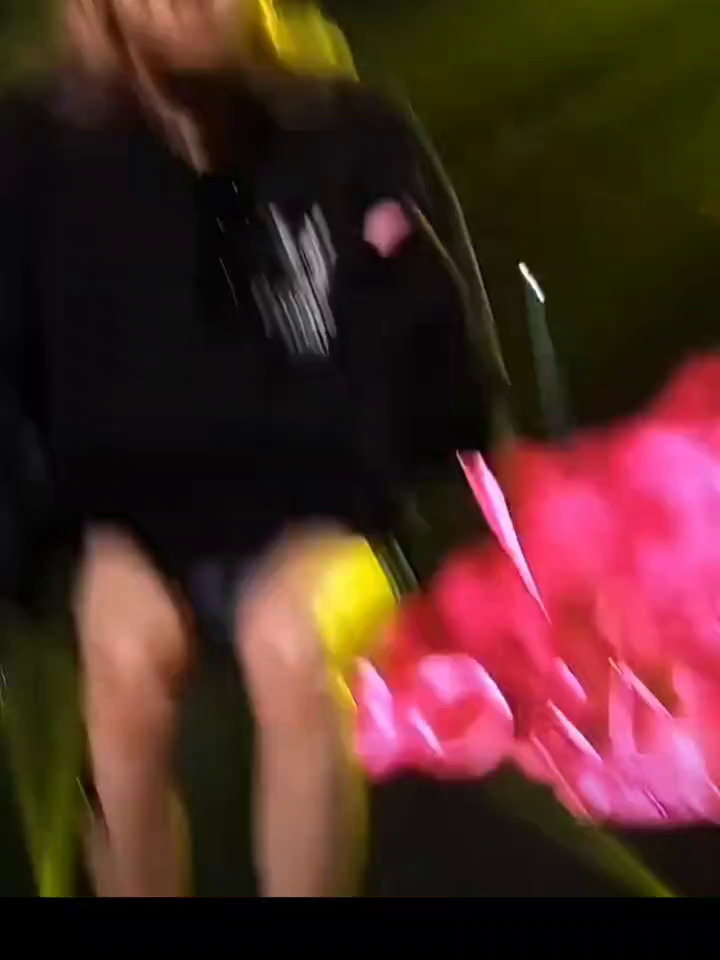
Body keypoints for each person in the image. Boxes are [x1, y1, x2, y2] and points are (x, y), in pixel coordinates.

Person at [0, 0, 504, 897]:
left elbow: (445, 369)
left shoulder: (351, 131)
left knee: (292, 646)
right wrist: (76, 549)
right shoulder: (36, 149)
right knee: (123, 660)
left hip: (326, 514)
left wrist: (362, 505)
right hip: (125, 522)